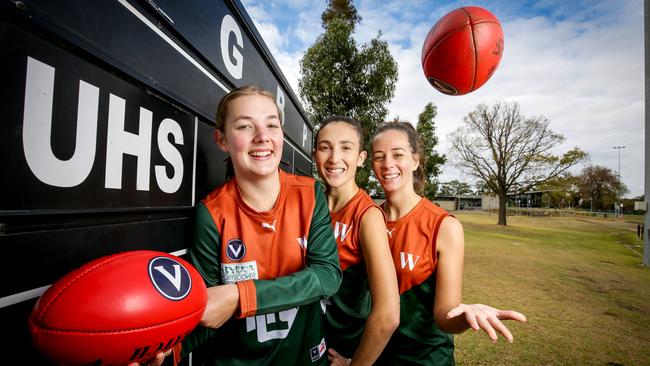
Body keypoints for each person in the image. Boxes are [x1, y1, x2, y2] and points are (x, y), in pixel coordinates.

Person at [132, 85, 342, 366]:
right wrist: (170, 350)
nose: (263, 137)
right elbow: (207, 312)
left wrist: (240, 295)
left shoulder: (310, 194)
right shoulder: (211, 214)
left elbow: (328, 275)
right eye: (245, 126)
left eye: (272, 125)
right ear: (221, 139)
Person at [370, 121, 526, 365]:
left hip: (425, 360)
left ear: (415, 160)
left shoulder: (444, 226)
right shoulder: (368, 220)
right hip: (373, 357)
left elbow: (445, 317)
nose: (388, 164)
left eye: (397, 154)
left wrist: (465, 314)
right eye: (379, 157)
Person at [313, 116, 400, 366]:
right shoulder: (308, 202)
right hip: (306, 343)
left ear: (361, 158)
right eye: (325, 147)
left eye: (346, 148)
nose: (334, 158)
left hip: (343, 348)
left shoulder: (368, 216)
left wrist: (355, 364)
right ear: (315, 153)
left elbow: (388, 316)